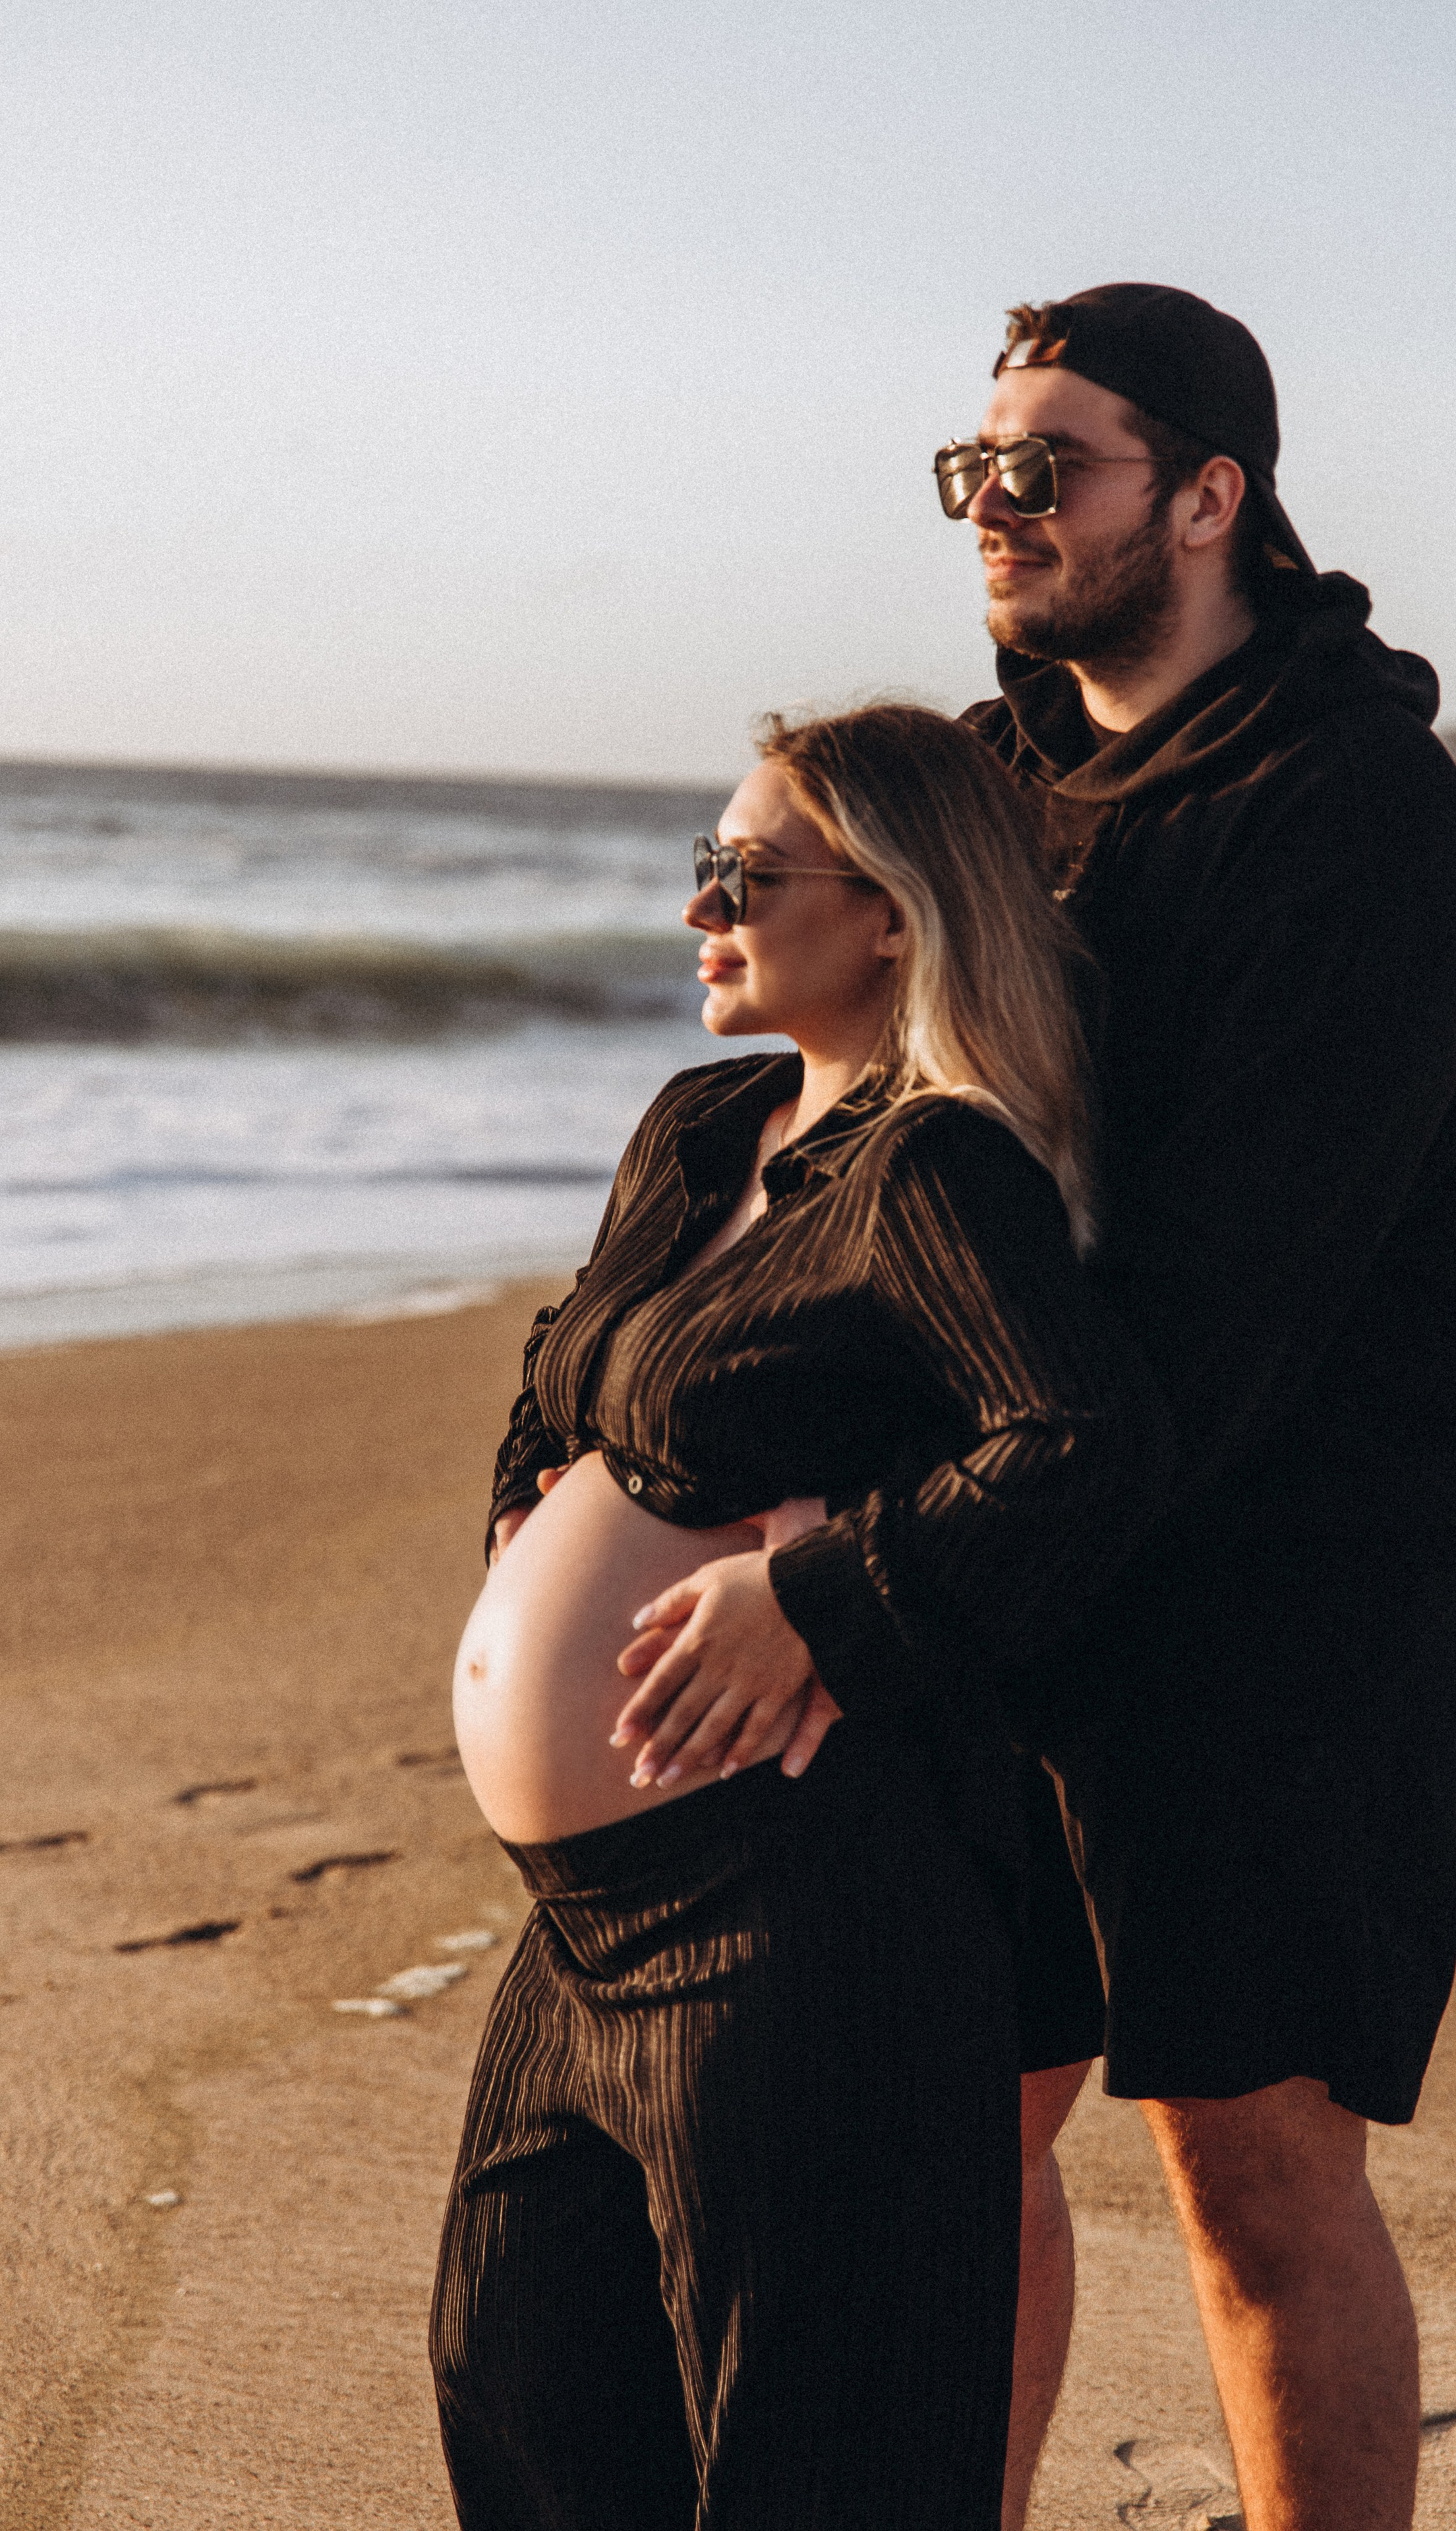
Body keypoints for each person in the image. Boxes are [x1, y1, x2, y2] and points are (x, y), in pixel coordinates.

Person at [633, 287, 1456, 2531]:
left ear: (1211, 497)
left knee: (1249, 2150)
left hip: (1301, 1569)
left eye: (1047, 469)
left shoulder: (1358, 813)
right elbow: (886, 1112)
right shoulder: (996, 776)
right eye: (973, 471)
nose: (993, 511)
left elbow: (1228, 1314)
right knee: (962, 2106)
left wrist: (868, 1570)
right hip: (1029, 1530)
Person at [429, 703, 1171, 2531]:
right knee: (522, 2391)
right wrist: (532, 1502)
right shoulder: (703, 1130)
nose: (705, 911)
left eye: (747, 877)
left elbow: (1085, 1442)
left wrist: (823, 1602)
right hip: (579, 1931)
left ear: (898, 914)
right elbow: (570, 1366)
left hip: (788, 1905)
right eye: (706, 868)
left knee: (803, 2461)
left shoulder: (933, 1172)